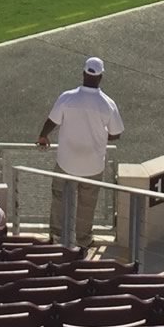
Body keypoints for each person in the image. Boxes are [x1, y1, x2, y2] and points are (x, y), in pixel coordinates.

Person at [37, 57, 123, 242]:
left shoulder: (67, 97)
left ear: (84, 73)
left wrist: (43, 136)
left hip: (66, 163)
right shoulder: (108, 104)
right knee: (87, 205)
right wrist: (101, 136)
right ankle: (83, 240)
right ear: (101, 76)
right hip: (93, 166)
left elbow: (52, 121)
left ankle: (57, 236)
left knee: (60, 200)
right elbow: (116, 134)